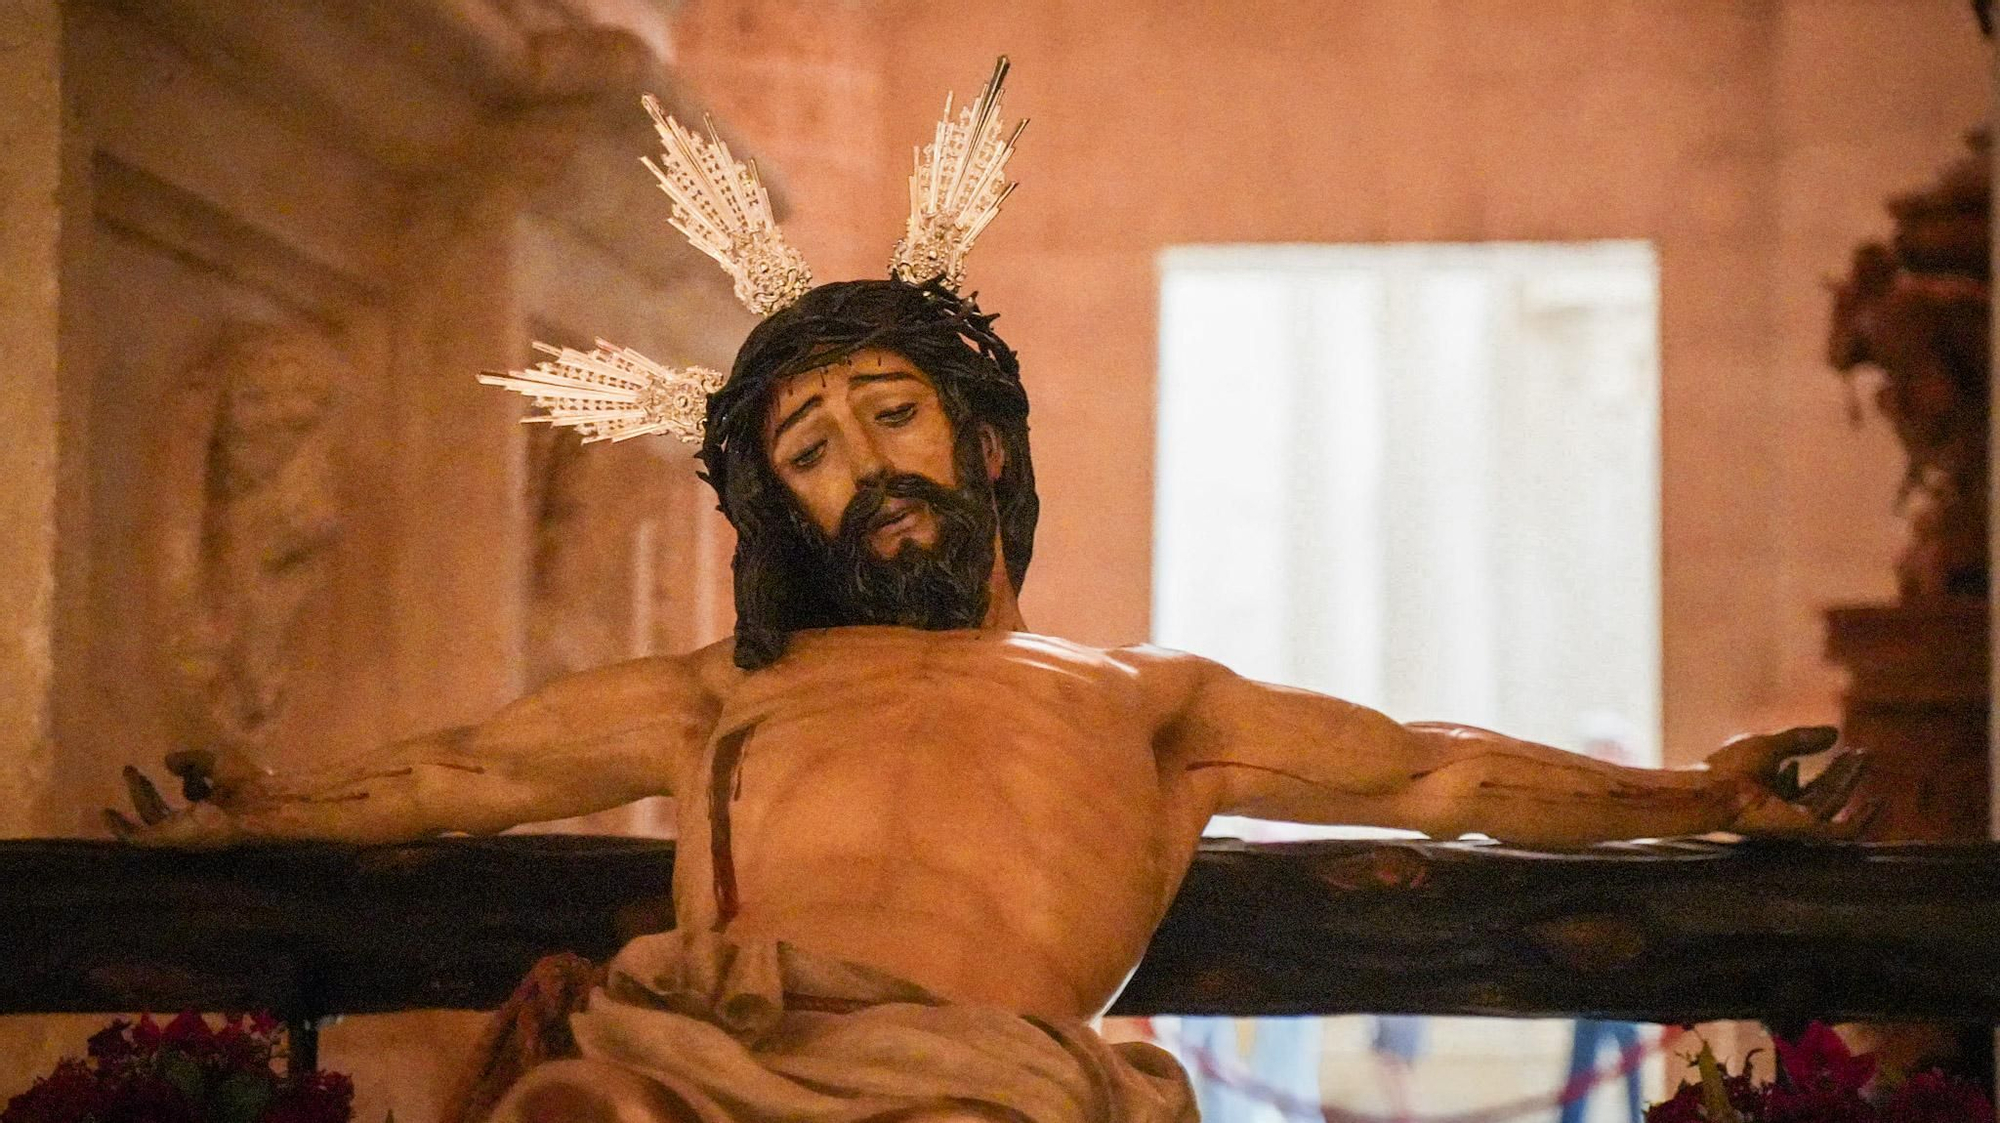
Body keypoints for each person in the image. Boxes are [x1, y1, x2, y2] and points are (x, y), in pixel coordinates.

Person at [110, 62, 1866, 1123]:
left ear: (984, 452)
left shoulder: (1138, 697)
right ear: (775, 505)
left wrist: (1696, 796)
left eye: (894, 415)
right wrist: (262, 806)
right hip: (709, 1060)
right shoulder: (731, 690)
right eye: (808, 444)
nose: (863, 462)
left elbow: (1431, 771)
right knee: (583, 1105)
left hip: (984, 1086)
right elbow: (469, 773)